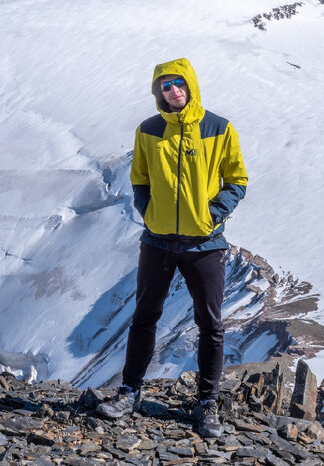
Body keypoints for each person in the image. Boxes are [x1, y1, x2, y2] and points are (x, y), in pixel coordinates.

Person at [97, 57, 248, 439]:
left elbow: (237, 178)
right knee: (144, 317)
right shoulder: (148, 130)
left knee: (210, 324)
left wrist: (213, 215)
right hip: (158, 242)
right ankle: (129, 391)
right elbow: (140, 179)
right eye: (165, 86)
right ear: (157, 92)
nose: (173, 90)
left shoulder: (218, 127)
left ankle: (207, 403)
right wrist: (149, 213)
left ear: (191, 84)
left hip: (205, 244)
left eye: (179, 83)